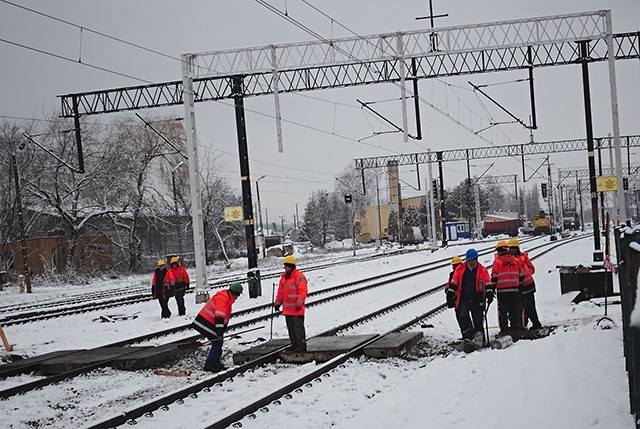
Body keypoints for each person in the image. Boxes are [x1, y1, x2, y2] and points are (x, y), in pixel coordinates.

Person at [192, 282, 243, 372]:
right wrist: (219, 333)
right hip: (206, 323)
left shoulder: (225, 297)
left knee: (218, 343)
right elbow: (219, 317)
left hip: (208, 322)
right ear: (235, 293)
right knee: (217, 343)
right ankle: (210, 364)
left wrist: (221, 332)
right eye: (237, 295)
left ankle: (215, 362)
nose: (237, 298)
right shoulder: (224, 299)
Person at [448, 248, 492, 341]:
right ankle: (467, 337)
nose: (470, 262)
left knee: (478, 319)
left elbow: (487, 282)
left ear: (476, 259)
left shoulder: (482, 270)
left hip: (477, 298)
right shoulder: (461, 269)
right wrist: (450, 294)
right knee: (463, 316)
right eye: (469, 260)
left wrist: (489, 293)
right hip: (464, 298)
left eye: (472, 260)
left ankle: (480, 338)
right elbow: (454, 282)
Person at [274, 255, 308, 352]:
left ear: (291, 266)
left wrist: (299, 304)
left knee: (298, 328)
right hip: (288, 309)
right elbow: (280, 291)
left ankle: (301, 346)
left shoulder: (299, 276)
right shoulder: (284, 277)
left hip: (297, 309)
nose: (284, 267)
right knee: (291, 328)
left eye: (286, 266)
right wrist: (277, 303)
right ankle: (294, 344)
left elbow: (303, 291)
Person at [491, 241, 525, 337]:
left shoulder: (497, 262)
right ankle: (516, 328)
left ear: (499, 251)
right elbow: (521, 275)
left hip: (502, 291)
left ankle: (504, 330)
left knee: (503, 311)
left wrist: (492, 289)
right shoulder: (516, 260)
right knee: (515, 309)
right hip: (515, 290)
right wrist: (520, 287)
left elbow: (494, 277)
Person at [508, 238, 542, 330]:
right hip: (521, 287)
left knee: (528, 307)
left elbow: (532, 269)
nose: (511, 250)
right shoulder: (513, 259)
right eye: (510, 248)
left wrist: (525, 274)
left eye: (512, 248)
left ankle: (532, 324)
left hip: (527, 286)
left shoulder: (522, 258)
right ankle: (525, 324)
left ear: (517, 248)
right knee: (524, 307)